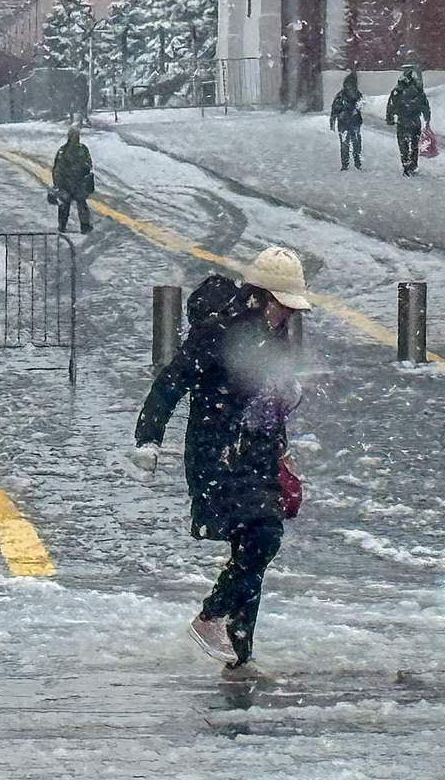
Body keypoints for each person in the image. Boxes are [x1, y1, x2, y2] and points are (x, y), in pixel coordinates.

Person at [131, 246, 311, 675]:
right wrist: (148, 439)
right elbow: (171, 381)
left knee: (253, 544)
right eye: (282, 306)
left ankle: (239, 652)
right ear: (261, 297)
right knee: (262, 536)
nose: (287, 315)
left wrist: (282, 445)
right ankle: (211, 618)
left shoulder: (273, 334)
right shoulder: (220, 332)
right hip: (219, 453)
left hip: (258, 451)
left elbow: (268, 395)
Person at [383, 66, 430, 176]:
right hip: (415, 121)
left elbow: (391, 106)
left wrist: (390, 118)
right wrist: (427, 119)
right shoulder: (418, 92)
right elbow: (425, 107)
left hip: (402, 121)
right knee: (414, 145)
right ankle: (413, 165)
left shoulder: (397, 91)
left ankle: (406, 164)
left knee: (403, 144)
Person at [51, 124, 97, 235]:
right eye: (75, 135)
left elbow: (57, 169)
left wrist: (58, 183)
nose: (76, 137)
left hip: (70, 183)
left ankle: (63, 226)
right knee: (79, 204)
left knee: (66, 205)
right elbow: (88, 165)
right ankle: (83, 226)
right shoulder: (80, 149)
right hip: (76, 183)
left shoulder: (64, 150)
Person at [329, 72, 364, 171]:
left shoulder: (356, 95)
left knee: (355, 143)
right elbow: (334, 109)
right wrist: (333, 120)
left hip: (352, 122)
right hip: (345, 123)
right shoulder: (341, 96)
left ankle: (356, 162)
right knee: (347, 144)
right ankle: (346, 164)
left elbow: (361, 106)